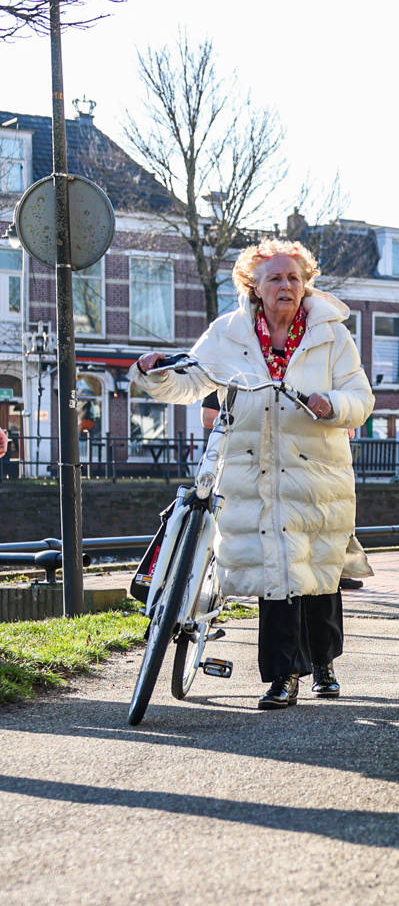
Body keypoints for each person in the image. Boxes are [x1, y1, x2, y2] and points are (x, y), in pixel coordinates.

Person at [133, 239, 374, 709]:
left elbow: (361, 399)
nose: (286, 286)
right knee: (274, 570)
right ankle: (283, 676)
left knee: (318, 569)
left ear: (305, 284)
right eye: (275, 278)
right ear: (254, 286)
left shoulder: (332, 335)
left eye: (293, 278)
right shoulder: (228, 333)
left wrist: (332, 404)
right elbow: (193, 380)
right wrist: (155, 374)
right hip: (250, 469)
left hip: (315, 471)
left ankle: (323, 663)